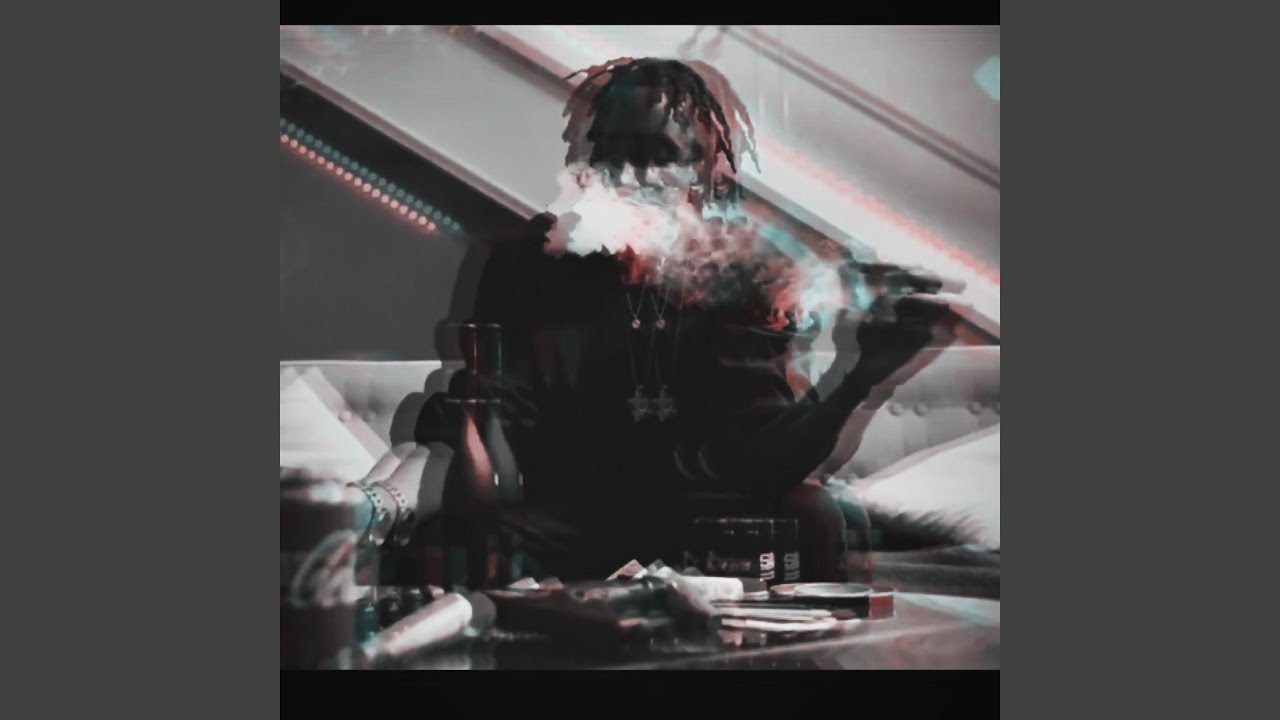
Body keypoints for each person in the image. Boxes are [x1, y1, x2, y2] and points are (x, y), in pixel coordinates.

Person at [350, 58, 960, 584]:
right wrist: (472, 419)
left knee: (815, 514)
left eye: (659, 155)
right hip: (567, 516)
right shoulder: (530, 263)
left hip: (706, 518)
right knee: (457, 542)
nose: (632, 176)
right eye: (614, 152)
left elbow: (761, 461)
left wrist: (861, 378)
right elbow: (498, 422)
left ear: (704, 172)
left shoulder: (744, 277)